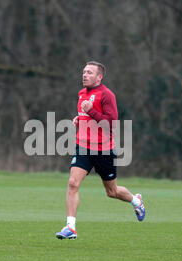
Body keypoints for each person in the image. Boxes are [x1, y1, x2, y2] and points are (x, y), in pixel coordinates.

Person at [56, 61, 146, 240]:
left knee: (112, 192)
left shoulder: (107, 95)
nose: (84, 75)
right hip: (83, 148)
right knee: (73, 183)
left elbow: (110, 123)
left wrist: (92, 113)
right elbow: (87, 117)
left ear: (99, 77)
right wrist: (79, 120)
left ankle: (136, 201)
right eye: (84, 72)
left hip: (103, 151)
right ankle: (70, 228)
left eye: (89, 72)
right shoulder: (82, 94)